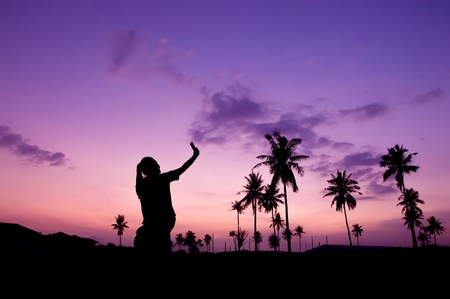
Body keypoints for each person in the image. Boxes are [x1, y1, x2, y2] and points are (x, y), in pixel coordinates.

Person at [134, 142, 200, 254]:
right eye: (156, 164)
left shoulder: (143, 185)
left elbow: (182, 169)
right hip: (155, 222)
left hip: (162, 221)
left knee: (157, 242)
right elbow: (182, 169)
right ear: (150, 169)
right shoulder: (160, 179)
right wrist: (194, 156)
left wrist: (194, 156)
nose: (159, 166)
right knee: (152, 243)